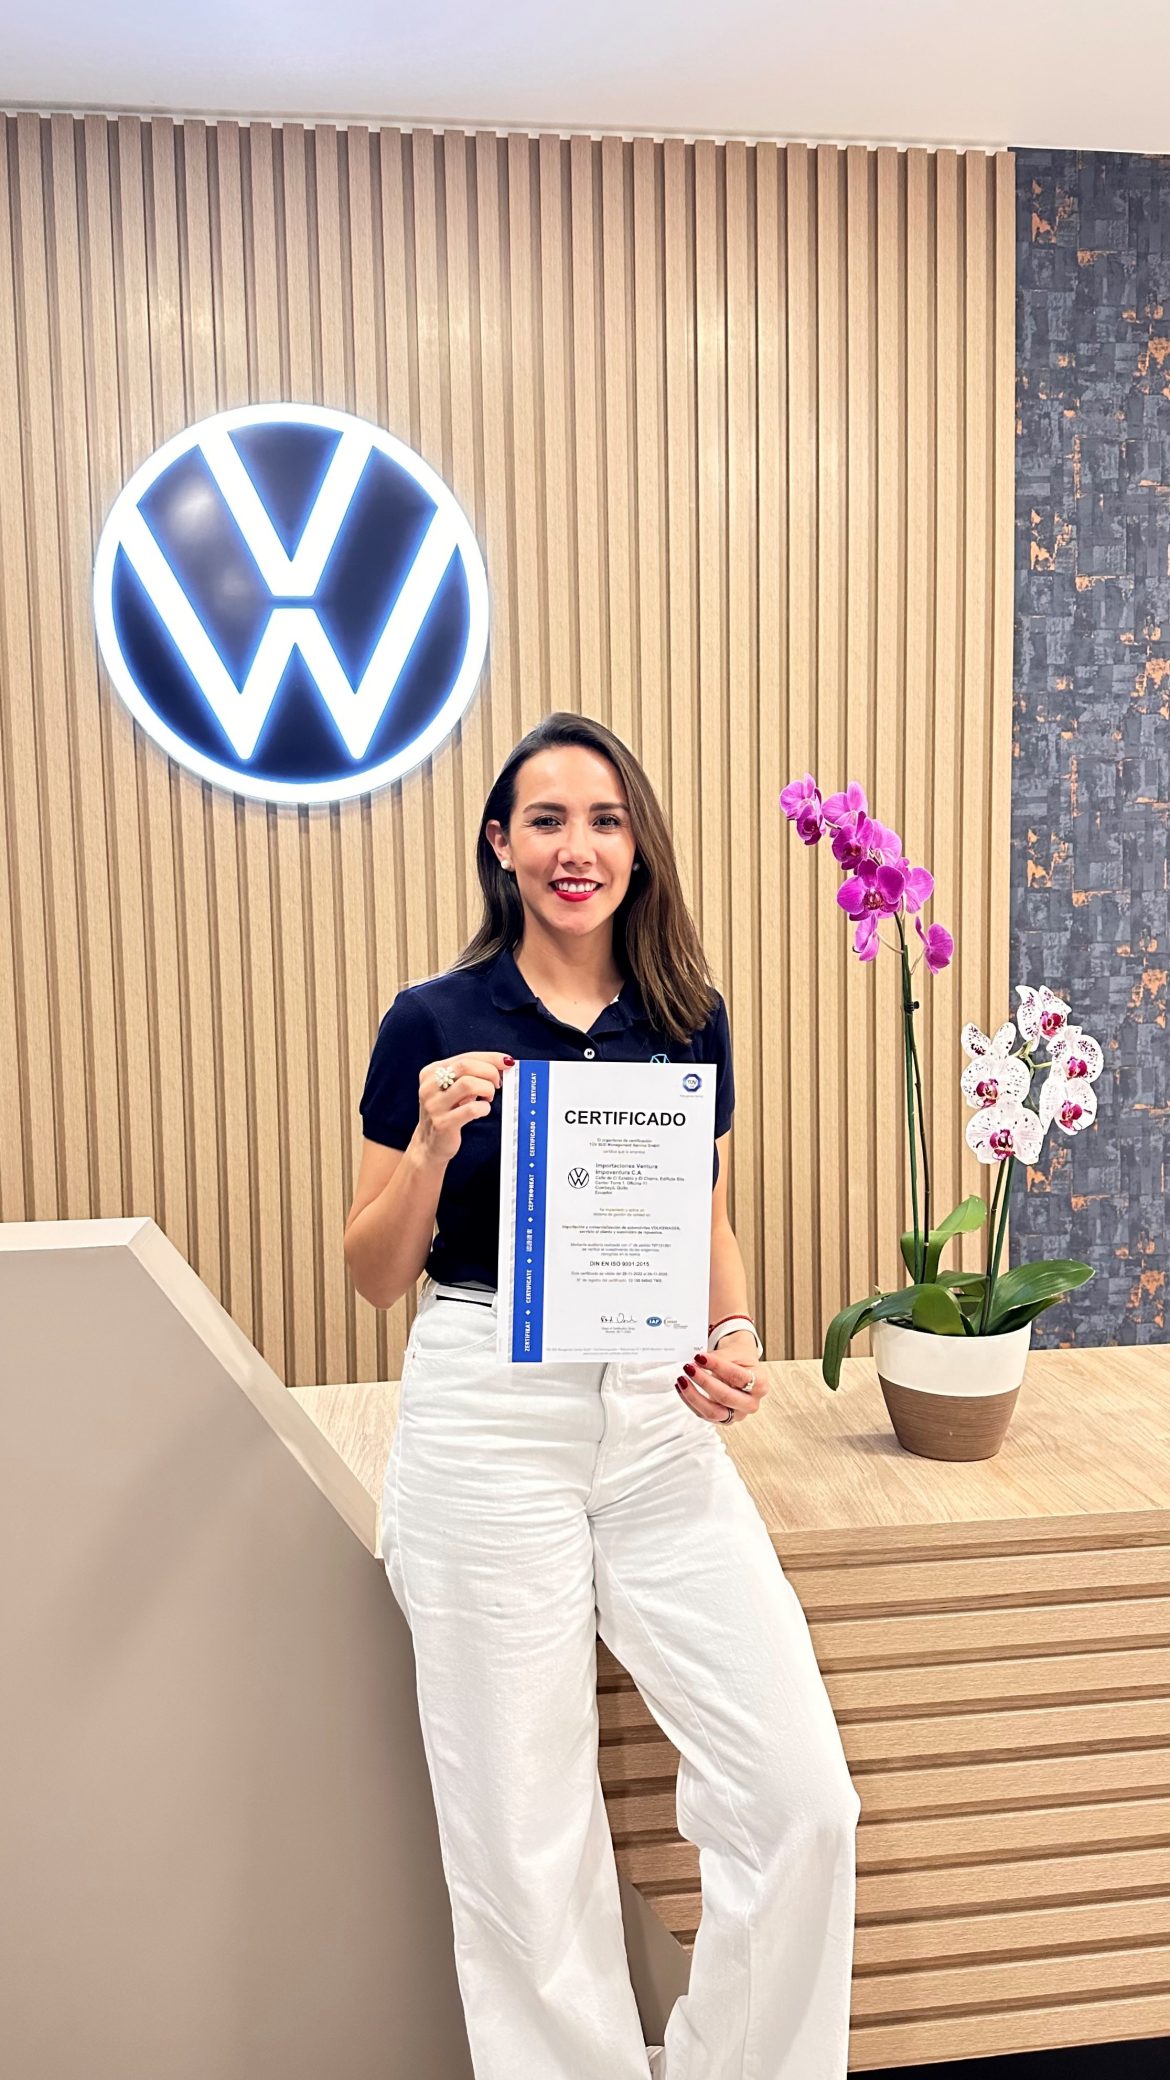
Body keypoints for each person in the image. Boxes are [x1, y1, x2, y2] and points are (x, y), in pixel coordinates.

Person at [344, 712, 862, 2080]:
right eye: (548, 820)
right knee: (523, 1841)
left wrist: (734, 1335)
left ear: (638, 846)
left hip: (651, 1422)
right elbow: (372, 1273)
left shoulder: (688, 1017)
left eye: (605, 819)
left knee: (802, 1801)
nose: (577, 847)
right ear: (501, 846)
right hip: (486, 1417)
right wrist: (431, 1143)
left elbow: (707, 1221)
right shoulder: (431, 1021)